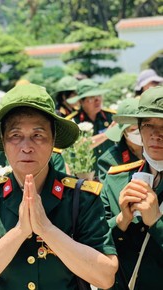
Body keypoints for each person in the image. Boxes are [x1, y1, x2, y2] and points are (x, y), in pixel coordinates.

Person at [0, 84, 118, 290]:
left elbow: (105, 277)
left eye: (38, 135)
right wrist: (19, 231)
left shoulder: (82, 197)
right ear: (4, 144)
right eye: (15, 136)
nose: (26, 147)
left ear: (53, 142)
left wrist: (47, 229)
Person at [101, 86, 163, 290]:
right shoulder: (116, 180)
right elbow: (93, 245)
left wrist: (157, 222)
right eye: (147, 125)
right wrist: (121, 221)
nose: (156, 134)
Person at [66, 79, 117, 175]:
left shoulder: (112, 117)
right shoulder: (72, 122)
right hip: (85, 178)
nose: (97, 100)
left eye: (99, 95)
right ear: (81, 101)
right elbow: (81, 146)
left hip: (110, 174)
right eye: (91, 97)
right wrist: (107, 134)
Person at [97, 98, 143, 182]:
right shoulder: (109, 161)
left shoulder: (157, 149)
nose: (140, 133)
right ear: (123, 132)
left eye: (144, 127)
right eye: (134, 129)